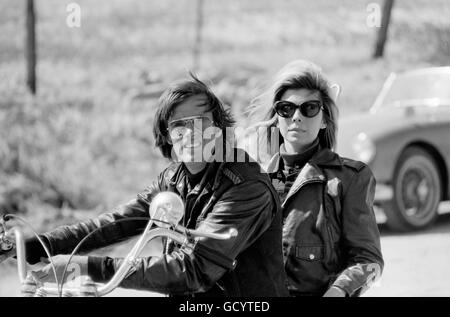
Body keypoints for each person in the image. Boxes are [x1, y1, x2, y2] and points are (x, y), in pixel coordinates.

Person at [5, 73, 289, 297]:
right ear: (166, 136)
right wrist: (29, 247)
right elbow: (111, 224)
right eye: (179, 125)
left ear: (218, 127)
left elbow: (194, 269)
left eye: (200, 121)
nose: (191, 133)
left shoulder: (247, 187)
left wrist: (90, 267)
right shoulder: (172, 180)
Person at [248, 60, 384, 297]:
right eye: (286, 109)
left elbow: (368, 260)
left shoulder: (350, 179)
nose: (296, 117)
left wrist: (339, 291)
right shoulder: (254, 181)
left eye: (309, 108)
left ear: (324, 119)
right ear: (277, 117)